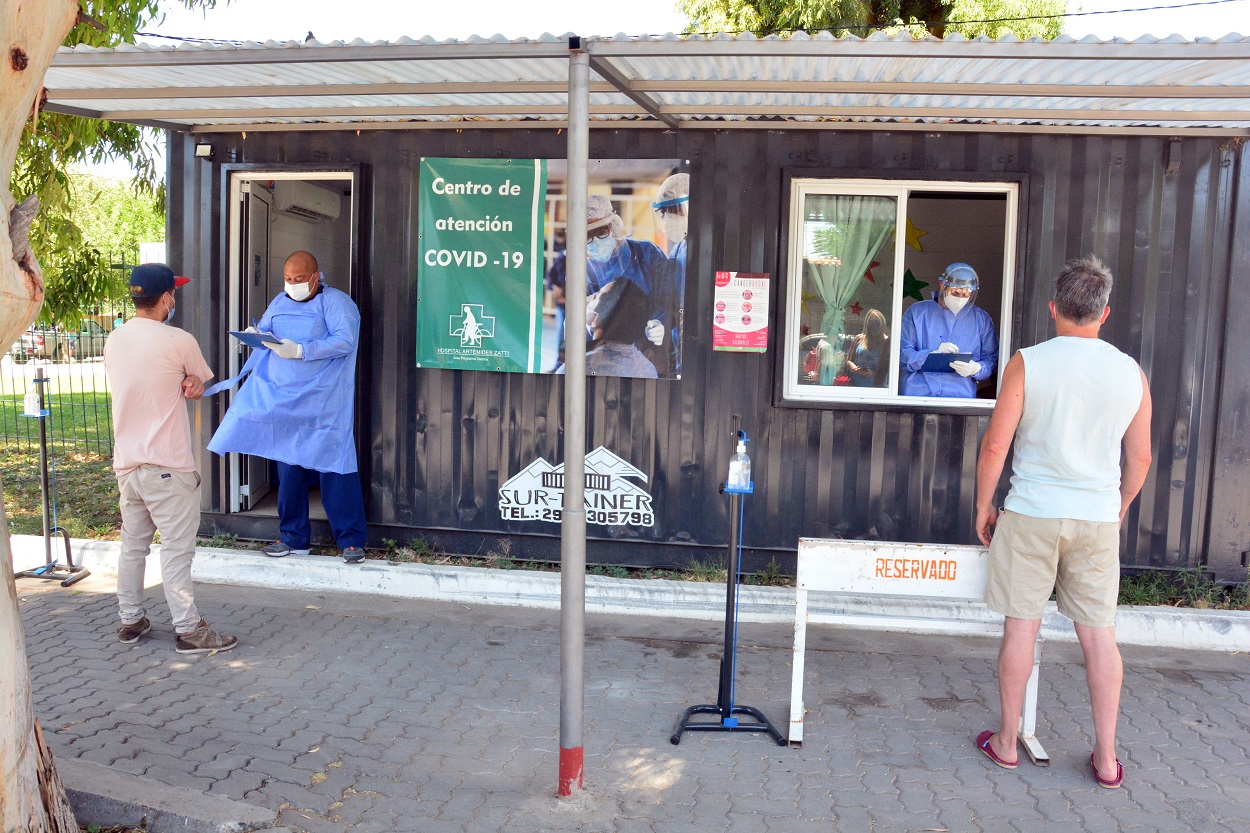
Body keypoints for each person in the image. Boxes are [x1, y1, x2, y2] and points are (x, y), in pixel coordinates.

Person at [972, 255, 1152, 789]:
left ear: (1054, 308)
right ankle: (1105, 756)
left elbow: (997, 444)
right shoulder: (1130, 372)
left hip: (1030, 513)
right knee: (1100, 638)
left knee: (1021, 628)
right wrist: (1117, 508)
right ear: (1105, 313)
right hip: (1095, 518)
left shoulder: (1029, 362)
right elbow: (1139, 459)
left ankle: (1007, 743)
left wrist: (985, 504)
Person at [103, 263, 238, 654]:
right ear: (166, 298)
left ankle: (130, 620)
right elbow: (197, 382)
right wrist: (194, 382)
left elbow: (149, 382)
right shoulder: (179, 340)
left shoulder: (114, 340)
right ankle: (189, 630)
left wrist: (189, 382)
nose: (174, 299)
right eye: (173, 293)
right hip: (168, 465)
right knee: (177, 549)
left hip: (128, 463)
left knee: (133, 546)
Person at [208, 251, 368, 564]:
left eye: (299, 279)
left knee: (336, 467)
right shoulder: (280, 302)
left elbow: (345, 341)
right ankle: (294, 538)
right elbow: (267, 331)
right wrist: (255, 337)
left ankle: (351, 540)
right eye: (288, 279)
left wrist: (303, 350)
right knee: (289, 467)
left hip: (323, 402)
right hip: (285, 400)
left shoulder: (336, 303)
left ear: (315, 275)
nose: (292, 285)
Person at [585, 194, 673, 376]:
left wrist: (662, 322)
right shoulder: (582, 270)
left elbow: (670, 297)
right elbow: (573, 319)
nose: (595, 242)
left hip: (649, 352)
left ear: (614, 226)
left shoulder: (645, 253)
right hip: (601, 356)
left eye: (601, 232)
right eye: (587, 236)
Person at [899, 263, 998, 397]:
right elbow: (901, 354)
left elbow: (991, 359)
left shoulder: (980, 319)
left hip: (959, 397)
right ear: (942, 285)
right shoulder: (917, 313)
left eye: (965, 295)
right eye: (956, 293)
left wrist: (977, 369)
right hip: (918, 395)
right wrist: (930, 355)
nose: (960, 299)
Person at [557, 278, 658, 379]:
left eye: (597, 295)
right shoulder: (648, 370)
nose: (591, 296)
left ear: (596, 319)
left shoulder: (574, 370)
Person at [651, 172, 688, 373]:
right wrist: (660, 322)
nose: (665, 222)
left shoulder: (712, 250)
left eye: (670, 212)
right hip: (680, 354)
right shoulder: (678, 251)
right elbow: (670, 301)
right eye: (662, 214)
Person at [843, 308, 889, 388]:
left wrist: (874, 373)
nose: (874, 329)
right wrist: (855, 368)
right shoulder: (859, 339)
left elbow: (892, 368)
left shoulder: (887, 342)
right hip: (857, 386)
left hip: (878, 388)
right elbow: (849, 360)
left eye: (876, 325)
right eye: (872, 325)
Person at [546, 233, 567, 372]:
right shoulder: (563, 254)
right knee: (562, 337)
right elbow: (551, 274)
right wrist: (554, 289)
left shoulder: (590, 258)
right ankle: (559, 366)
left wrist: (565, 296)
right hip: (562, 305)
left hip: (576, 305)